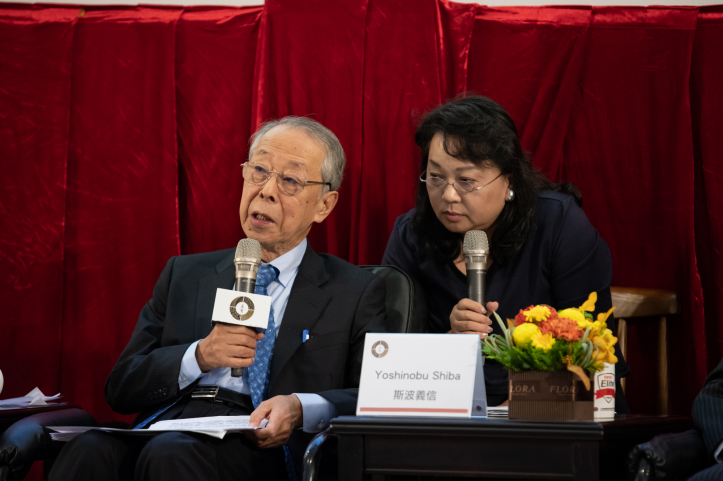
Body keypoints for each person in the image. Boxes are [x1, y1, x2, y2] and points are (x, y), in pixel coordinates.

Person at [50, 117, 388, 481]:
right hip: (169, 425)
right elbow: (121, 388)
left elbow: (376, 396)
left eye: (289, 180)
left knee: (171, 455)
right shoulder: (186, 274)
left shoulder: (354, 290)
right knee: (89, 448)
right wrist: (199, 355)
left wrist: (301, 408)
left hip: (264, 447)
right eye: (259, 170)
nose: (267, 190)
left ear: (324, 205)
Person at [382, 95, 629, 410]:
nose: (448, 194)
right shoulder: (412, 235)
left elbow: (593, 360)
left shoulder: (558, 225)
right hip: (450, 420)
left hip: (553, 417)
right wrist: (449, 343)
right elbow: (389, 365)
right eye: (436, 177)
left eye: (466, 180)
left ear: (509, 180)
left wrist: (519, 408)